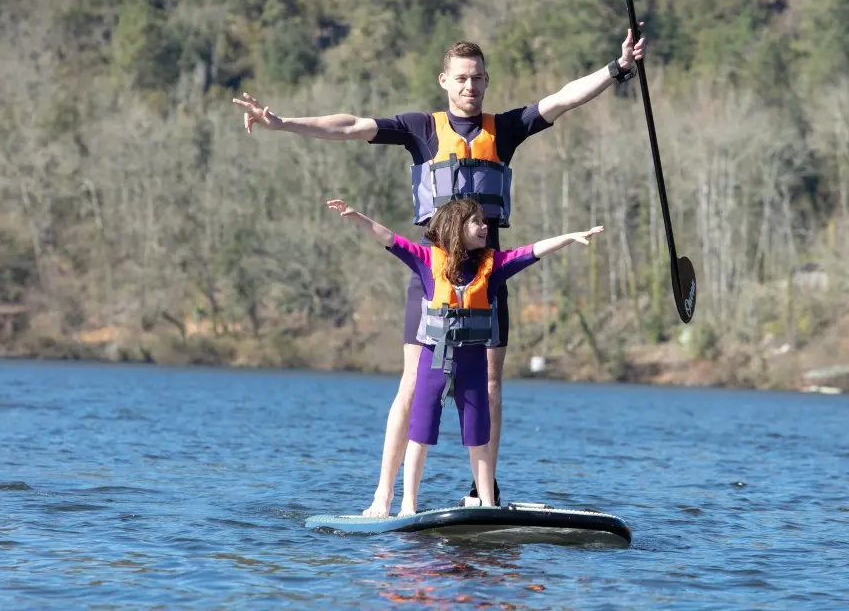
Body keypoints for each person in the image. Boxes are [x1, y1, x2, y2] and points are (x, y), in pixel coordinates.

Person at [233, 28, 645, 516]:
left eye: (478, 78)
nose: (471, 87)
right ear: (444, 82)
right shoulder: (420, 129)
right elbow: (348, 126)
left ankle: (484, 496)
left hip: (488, 276)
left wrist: (616, 69)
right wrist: (284, 123)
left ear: (486, 81)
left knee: (490, 383)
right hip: (432, 275)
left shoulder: (505, 128)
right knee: (413, 381)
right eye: (462, 79)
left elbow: (562, 100)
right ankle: (383, 499)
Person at [325, 196, 603, 515]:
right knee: (420, 434)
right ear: (456, 228)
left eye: (484, 221)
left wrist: (569, 237)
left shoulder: (492, 266)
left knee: (478, 438)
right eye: (476, 222)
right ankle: (407, 506)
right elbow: (389, 238)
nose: (485, 226)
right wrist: (358, 217)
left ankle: (486, 505)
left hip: (472, 367)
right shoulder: (426, 259)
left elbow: (531, 251)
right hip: (433, 363)